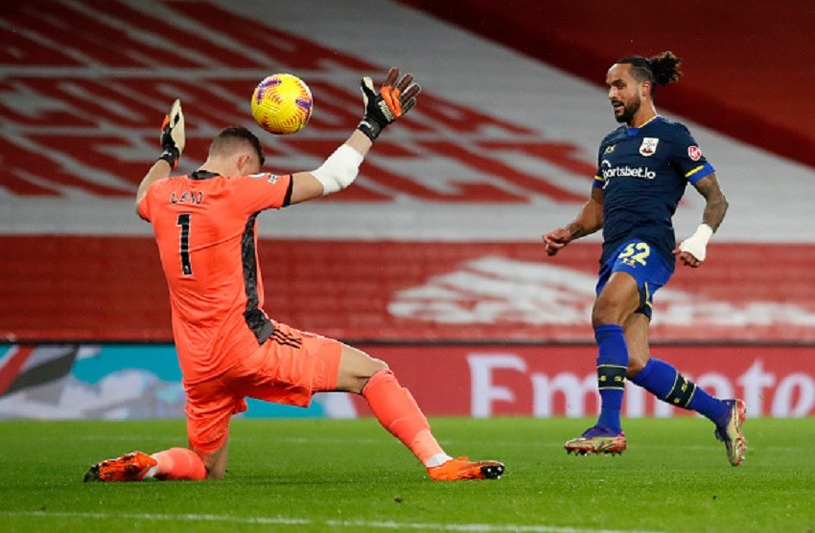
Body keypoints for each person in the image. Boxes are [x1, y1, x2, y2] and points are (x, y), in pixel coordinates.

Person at [84, 68, 504, 482]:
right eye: (252, 170)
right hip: (247, 344)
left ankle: (153, 464)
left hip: (197, 362)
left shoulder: (163, 195)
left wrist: (167, 153)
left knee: (206, 467)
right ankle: (439, 463)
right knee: (372, 372)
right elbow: (333, 177)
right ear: (243, 161)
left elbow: (141, 195)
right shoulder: (236, 190)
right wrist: (372, 122)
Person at [542, 52, 746, 466]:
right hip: (614, 251)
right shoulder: (611, 144)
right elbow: (596, 209)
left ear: (644, 88)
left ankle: (609, 427)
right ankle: (722, 411)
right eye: (608, 87)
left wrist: (700, 238)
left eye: (619, 86)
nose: (612, 94)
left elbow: (716, 198)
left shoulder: (672, 135)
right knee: (633, 361)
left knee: (604, 313)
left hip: (648, 245)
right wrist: (569, 231)